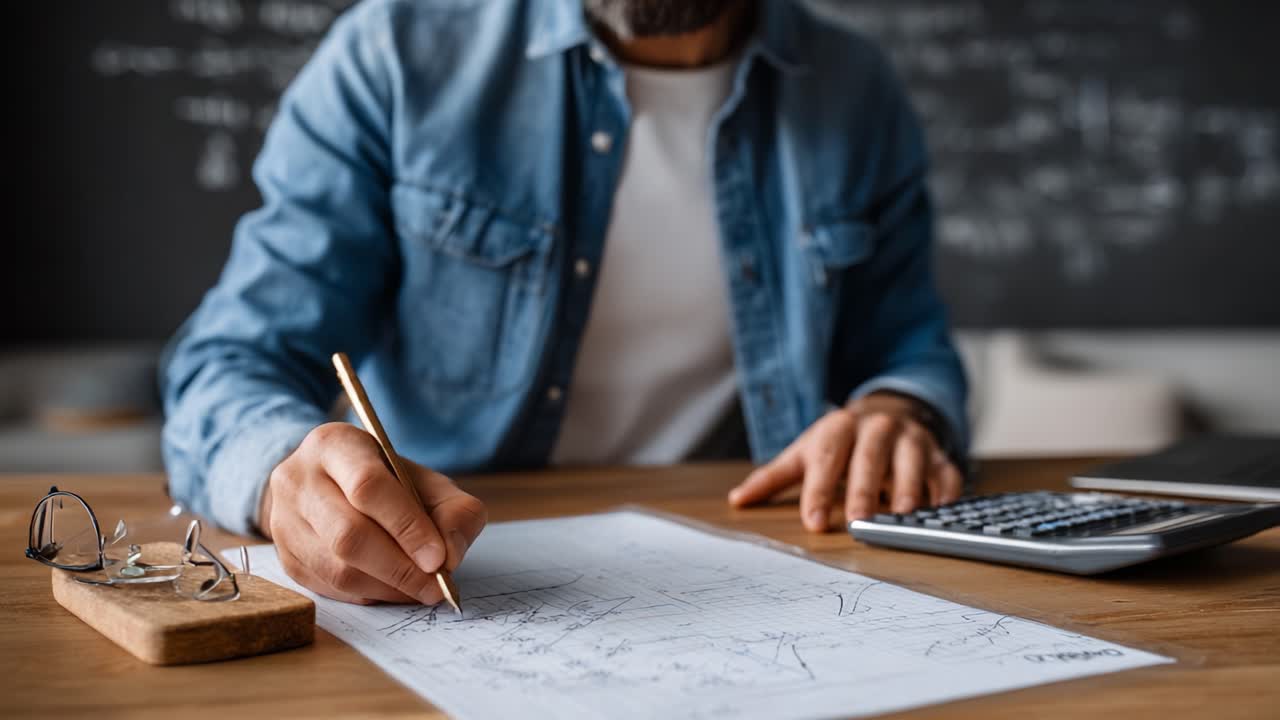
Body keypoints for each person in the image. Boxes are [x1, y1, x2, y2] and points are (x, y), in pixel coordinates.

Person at [161, 0, 969, 606]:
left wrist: (900, 408)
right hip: (462, 566)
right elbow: (229, 362)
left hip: (770, 568)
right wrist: (280, 478)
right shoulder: (396, 55)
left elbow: (907, 343)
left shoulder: (855, 92)